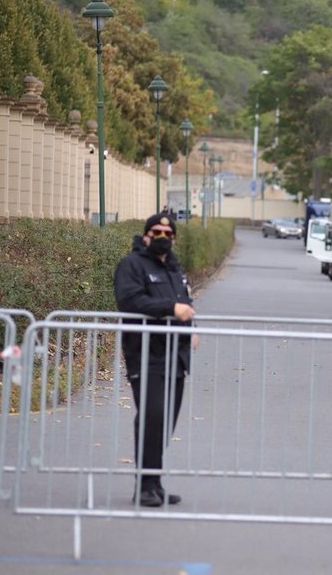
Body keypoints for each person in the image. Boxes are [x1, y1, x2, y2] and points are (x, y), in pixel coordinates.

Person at [114, 213, 197, 507]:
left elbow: (186, 304)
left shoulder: (174, 269)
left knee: (166, 423)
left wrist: (192, 331)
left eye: (167, 232)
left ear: (173, 238)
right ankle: (144, 486)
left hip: (176, 355)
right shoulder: (132, 265)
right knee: (153, 416)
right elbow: (130, 301)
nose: (162, 236)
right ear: (146, 235)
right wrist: (171, 308)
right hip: (146, 353)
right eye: (157, 231)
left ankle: (154, 483)